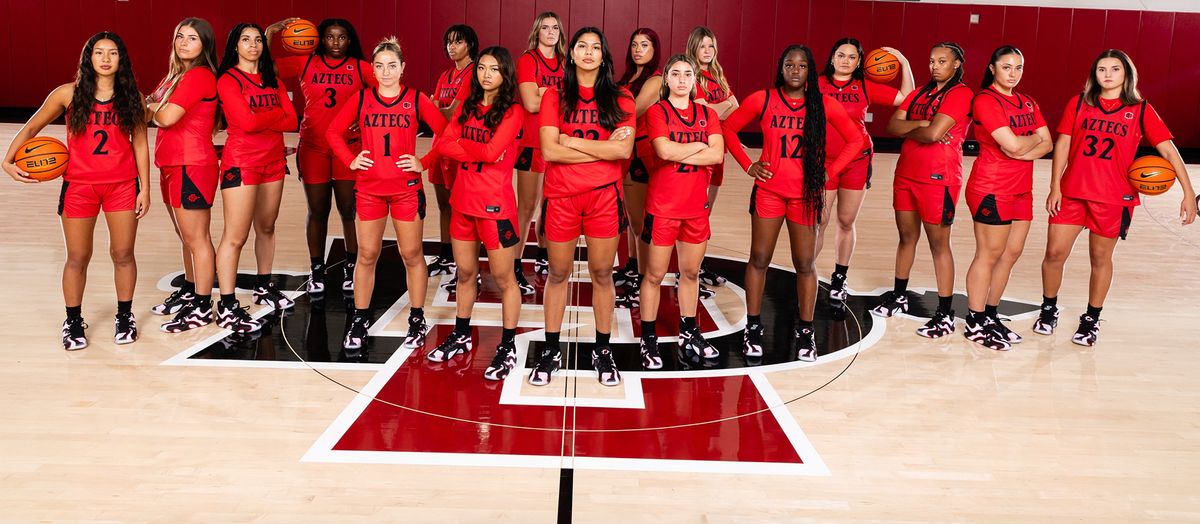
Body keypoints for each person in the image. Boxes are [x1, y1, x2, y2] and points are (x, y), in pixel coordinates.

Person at [1037, 49, 1196, 346]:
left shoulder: (1141, 110)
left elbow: (1169, 151)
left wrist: (1187, 192)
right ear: (1093, 75)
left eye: (1114, 69)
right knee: (1054, 254)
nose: (1107, 74)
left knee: (1100, 258)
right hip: (1072, 192)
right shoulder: (1079, 103)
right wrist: (1055, 186)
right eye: (1101, 69)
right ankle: (1048, 308)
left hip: (1113, 197)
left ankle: (1091, 319)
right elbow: (1062, 145)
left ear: (1127, 74)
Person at [2, 32, 150, 350]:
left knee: (123, 254)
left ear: (121, 59)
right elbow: (31, 127)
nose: (106, 58)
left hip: (122, 185)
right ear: (89, 58)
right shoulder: (67, 94)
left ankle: (125, 316)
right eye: (99, 52)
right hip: (79, 186)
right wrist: (7, 160)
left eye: (112, 53)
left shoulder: (132, 97)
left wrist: (146, 188)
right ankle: (72, 321)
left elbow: (140, 143)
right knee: (77, 257)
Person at [723, 44, 863, 361]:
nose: (795, 70)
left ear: (810, 70)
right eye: (789, 64)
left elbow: (856, 140)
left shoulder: (823, 104)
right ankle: (753, 327)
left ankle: (805, 331)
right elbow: (728, 128)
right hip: (769, 192)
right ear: (781, 68)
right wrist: (748, 164)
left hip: (805, 195)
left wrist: (830, 173)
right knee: (759, 258)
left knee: (804, 264)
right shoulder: (764, 98)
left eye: (802, 65)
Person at [326, 37, 447, 351]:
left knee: (411, 255)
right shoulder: (362, 98)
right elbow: (332, 132)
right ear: (373, 69)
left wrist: (425, 161)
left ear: (403, 68)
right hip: (369, 190)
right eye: (379, 66)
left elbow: (447, 133)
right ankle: (360, 318)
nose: (386, 71)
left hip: (407, 191)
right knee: (367, 256)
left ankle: (417, 318)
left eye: (392, 65)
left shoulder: (416, 99)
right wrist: (349, 158)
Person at [532, 27, 635, 387]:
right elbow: (549, 151)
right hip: (561, 197)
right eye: (581, 46)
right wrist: (599, 149)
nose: (588, 52)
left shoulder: (621, 97)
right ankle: (550, 349)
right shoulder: (554, 97)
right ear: (571, 53)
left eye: (595, 47)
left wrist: (570, 140)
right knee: (558, 274)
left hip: (604, 197)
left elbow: (622, 152)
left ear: (604, 56)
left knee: (602, 274)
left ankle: (602, 349)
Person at [422, 47, 526, 381]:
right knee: (465, 274)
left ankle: (507, 344)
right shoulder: (467, 106)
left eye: (494, 69)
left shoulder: (512, 111)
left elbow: (494, 151)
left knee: (503, 279)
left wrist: (463, 147)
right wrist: (473, 150)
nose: (485, 74)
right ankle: (462, 333)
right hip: (462, 203)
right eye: (481, 68)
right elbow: (444, 145)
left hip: (495, 206)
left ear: (505, 74)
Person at [873, 42, 972, 340]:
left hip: (938, 178)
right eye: (931, 60)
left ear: (956, 64)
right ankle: (899, 295)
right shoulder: (919, 93)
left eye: (942, 61)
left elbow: (933, 134)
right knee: (906, 237)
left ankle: (944, 313)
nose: (934, 65)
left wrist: (919, 129)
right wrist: (922, 124)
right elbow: (891, 126)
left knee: (939, 245)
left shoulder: (961, 93)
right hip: (906, 174)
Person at [267, 18, 373, 294]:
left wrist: (365, 119)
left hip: (348, 148)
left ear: (350, 40)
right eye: (330, 37)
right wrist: (270, 34)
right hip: (314, 147)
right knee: (317, 211)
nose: (336, 42)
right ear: (320, 40)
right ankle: (317, 269)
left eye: (342, 37)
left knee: (349, 210)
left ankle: (352, 265)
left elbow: (387, 92)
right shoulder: (305, 63)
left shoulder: (361, 68)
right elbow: (266, 69)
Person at [962, 46, 1052, 350]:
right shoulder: (985, 101)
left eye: (1018, 67)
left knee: (1011, 253)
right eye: (1006, 67)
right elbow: (1013, 146)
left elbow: (1047, 143)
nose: (1013, 73)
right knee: (989, 253)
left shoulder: (1028, 101)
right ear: (992, 69)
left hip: (1021, 190)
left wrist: (1024, 146)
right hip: (992, 187)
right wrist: (1030, 143)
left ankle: (989, 314)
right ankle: (974, 321)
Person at [638, 54, 724, 368]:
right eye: (675, 74)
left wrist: (686, 153)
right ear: (667, 80)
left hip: (695, 208)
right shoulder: (658, 111)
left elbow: (717, 155)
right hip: (663, 207)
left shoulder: (707, 114)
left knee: (690, 273)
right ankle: (648, 339)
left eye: (688, 73)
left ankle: (689, 331)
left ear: (695, 79)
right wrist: (699, 148)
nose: (682, 79)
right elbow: (663, 150)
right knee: (655, 275)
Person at [816, 38, 914, 313]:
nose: (845, 60)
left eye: (852, 57)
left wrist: (904, 63)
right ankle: (806, 272)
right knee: (819, 220)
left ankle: (839, 277)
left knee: (846, 221)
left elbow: (907, 98)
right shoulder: (817, 84)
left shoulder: (864, 87)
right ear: (832, 57)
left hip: (857, 160)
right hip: (823, 161)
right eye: (841, 55)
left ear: (860, 62)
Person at [214, 23, 299, 332]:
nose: (252, 45)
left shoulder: (271, 79)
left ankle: (264, 285)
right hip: (242, 163)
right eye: (245, 40)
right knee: (235, 235)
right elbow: (245, 124)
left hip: (273, 161)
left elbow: (292, 120)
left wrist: (263, 118)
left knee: (266, 227)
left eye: (258, 40)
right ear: (235, 46)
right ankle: (226, 303)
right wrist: (274, 114)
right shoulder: (227, 79)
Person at [145, 18, 221, 332]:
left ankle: (203, 306)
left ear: (205, 45)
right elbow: (152, 107)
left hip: (192, 164)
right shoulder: (175, 75)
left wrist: (151, 107)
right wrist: (152, 106)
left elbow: (163, 116)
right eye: (180, 36)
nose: (184, 42)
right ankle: (191, 291)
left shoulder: (199, 76)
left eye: (192, 38)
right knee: (185, 237)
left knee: (197, 239)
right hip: (172, 163)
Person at [426, 24, 481, 283]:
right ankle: (446, 255)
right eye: (449, 41)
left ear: (469, 44)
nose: (451, 46)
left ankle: (467, 262)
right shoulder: (445, 74)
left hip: (460, 146)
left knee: (463, 206)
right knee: (443, 204)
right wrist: (436, 108)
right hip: (440, 144)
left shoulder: (473, 74)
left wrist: (434, 106)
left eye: (457, 41)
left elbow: (451, 113)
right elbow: (436, 112)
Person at [515, 12, 566, 285]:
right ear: (537, 31)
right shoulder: (528, 59)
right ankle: (514, 264)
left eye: (555, 27)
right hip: (532, 142)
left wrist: (544, 89)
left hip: (558, 141)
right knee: (527, 206)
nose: (550, 32)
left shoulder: (566, 62)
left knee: (551, 204)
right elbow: (531, 103)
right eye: (545, 27)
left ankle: (543, 254)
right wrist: (557, 93)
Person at [686, 26, 738, 291]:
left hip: (720, 150)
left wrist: (721, 109)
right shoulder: (690, 74)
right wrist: (724, 107)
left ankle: (699, 266)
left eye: (711, 46)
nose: (707, 51)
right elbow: (704, 114)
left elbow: (734, 108)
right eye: (702, 46)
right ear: (693, 47)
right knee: (696, 214)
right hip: (700, 151)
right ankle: (689, 271)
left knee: (705, 214)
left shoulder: (716, 74)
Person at [613, 28, 663, 303]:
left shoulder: (655, 79)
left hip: (641, 153)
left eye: (645, 45)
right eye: (634, 44)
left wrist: (601, 114)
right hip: (626, 151)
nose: (638, 49)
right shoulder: (628, 77)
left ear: (655, 49)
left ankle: (644, 278)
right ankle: (633, 266)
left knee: (641, 221)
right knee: (633, 220)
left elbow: (634, 111)